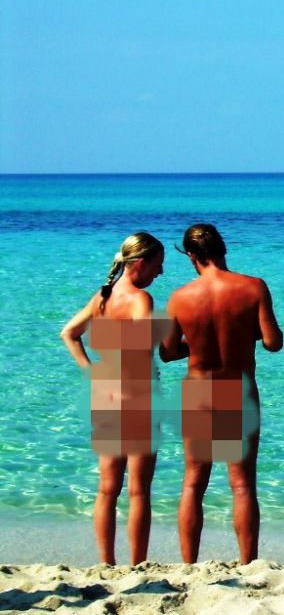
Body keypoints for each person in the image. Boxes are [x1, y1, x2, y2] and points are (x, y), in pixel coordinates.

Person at [160, 223, 283, 564]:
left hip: (199, 391)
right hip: (237, 389)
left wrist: (196, 344)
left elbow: (167, 352)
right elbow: (273, 342)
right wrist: (244, 336)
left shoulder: (180, 297)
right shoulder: (253, 287)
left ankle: (189, 566)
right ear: (223, 249)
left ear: (192, 257)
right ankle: (248, 565)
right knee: (241, 484)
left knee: (193, 484)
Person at [60, 232, 165, 565]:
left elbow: (69, 333)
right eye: (158, 265)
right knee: (138, 490)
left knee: (107, 488)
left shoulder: (102, 297)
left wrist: (93, 373)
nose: (159, 273)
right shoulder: (140, 299)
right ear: (141, 263)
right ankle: (138, 564)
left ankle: (106, 563)